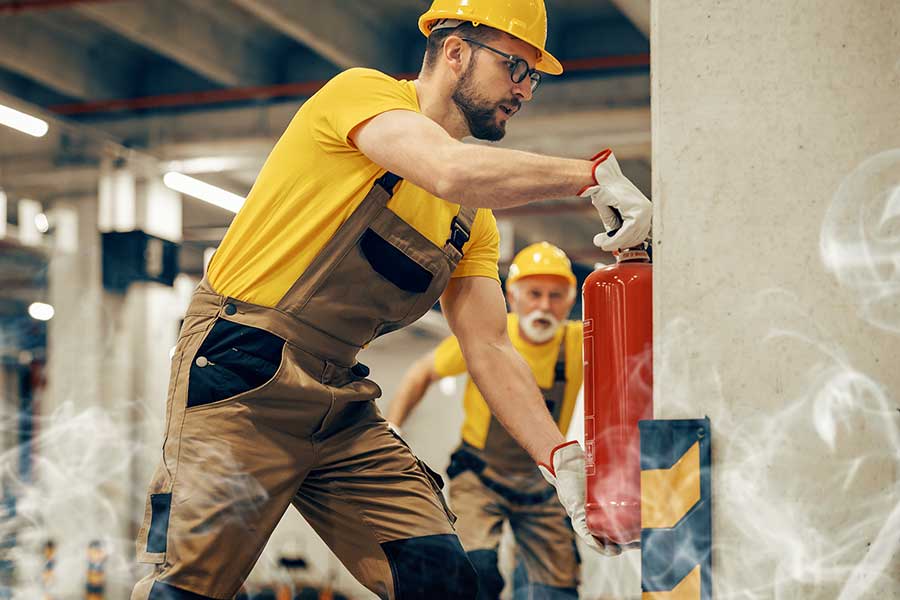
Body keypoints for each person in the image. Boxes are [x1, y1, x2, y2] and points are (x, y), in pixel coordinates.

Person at [131, 1, 651, 598]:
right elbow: (446, 168)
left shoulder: (469, 221)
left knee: (442, 579)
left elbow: (487, 344)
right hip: (241, 370)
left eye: (533, 76)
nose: (525, 91)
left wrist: (557, 458)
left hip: (340, 396)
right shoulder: (362, 95)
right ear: (455, 52)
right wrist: (590, 176)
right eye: (515, 68)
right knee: (189, 585)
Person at [387, 242, 594, 599]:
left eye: (556, 296)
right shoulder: (491, 336)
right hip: (480, 476)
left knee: (555, 588)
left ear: (570, 300)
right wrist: (394, 427)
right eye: (534, 294)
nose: (544, 306)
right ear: (511, 297)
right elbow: (421, 373)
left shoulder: (578, 343)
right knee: (475, 571)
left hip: (544, 481)